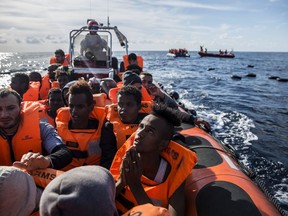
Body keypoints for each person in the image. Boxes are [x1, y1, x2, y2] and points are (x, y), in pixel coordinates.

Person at [110, 103, 197, 215]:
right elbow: (101, 203)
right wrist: (122, 182)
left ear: (162, 145)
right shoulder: (127, 159)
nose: (140, 133)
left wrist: (136, 186)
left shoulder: (173, 176)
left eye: (150, 131)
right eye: (141, 127)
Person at [0, 88, 72, 170]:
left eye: (11, 108)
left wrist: (46, 161)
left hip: (33, 180)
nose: (4, 115)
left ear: (20, 107)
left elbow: (64, 153)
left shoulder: (42, 129)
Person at [56, 80, 117, 170]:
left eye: (80, 107)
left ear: (91, 107)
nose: (74, 111)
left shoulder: (105, 127)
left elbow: (108, 158)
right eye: (71, 106)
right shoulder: (59, 125)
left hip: (94, 174)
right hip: (64, 176)